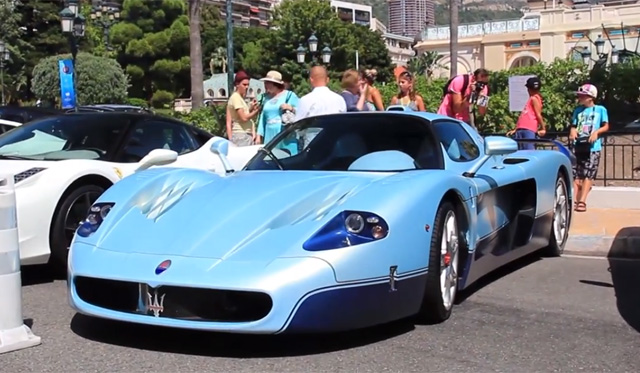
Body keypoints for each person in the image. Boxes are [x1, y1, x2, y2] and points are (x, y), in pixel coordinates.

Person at [570, 83, 609, 212]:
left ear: (590, 97)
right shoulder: (577, 111)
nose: (580, 98)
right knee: (576, 173)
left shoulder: (600, 109)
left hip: (593, 147)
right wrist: (573, 131)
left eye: (583, 96)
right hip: (578, 145)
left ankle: (582, 201)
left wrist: (596, 132)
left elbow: (606, 125)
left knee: (589, 173)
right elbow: (574, 125)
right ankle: (575, 200)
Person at [256, 70, 299, 145]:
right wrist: (258, 135)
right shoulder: (266, 98)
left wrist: (291, 108)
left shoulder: (289, 95)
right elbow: (263, 118)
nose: (265, 85)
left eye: (268, 83)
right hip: (269, 135)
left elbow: (302, 111)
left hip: (284, 134)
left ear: (275, 84)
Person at [507, 76, 546, 150]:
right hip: (523, 128)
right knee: (521, 150)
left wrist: (543, 128)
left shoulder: (534, 98)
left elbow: (538, 114)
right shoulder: (532, 98)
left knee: (528, 150)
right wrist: (516, 129)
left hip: (529, 128)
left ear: (529, 89)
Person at [226, 70, 260, 146]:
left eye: (248, 85)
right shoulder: (236, 98)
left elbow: (241, 115)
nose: (246, 87)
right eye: (244, 85)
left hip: (245, 135)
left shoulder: (239, 98)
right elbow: (244, 118)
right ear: (237, 84)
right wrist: (256, 111)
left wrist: (251, 108)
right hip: (241, 135)